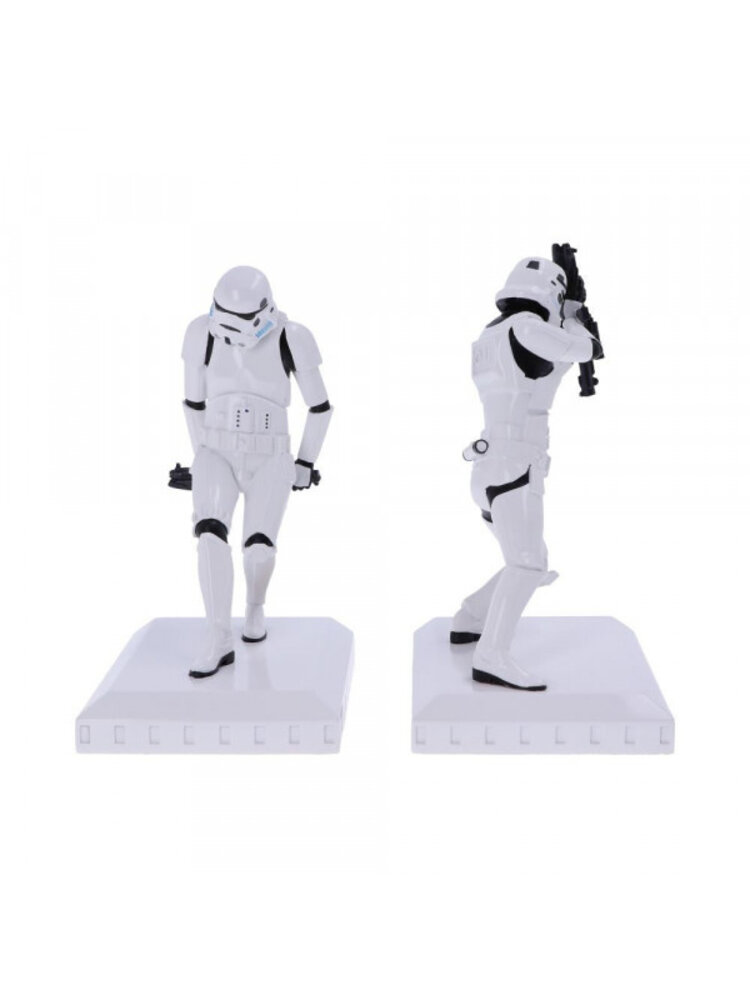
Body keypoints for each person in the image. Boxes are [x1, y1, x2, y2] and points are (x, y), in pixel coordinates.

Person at [451, 256, 600, 690]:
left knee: (528, 560)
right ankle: (491, 656)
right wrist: (574, 317)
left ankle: (470, 616)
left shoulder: (491, 334)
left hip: (488, 467)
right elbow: (586, 349)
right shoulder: (528, 329)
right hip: (516, 466)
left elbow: (539, 381)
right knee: (528, 564)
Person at [179, 266, 332, 678]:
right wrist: (201, 459)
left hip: (270, 455)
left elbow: (320, 407)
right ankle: (217, 637)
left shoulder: (292, 337)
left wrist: (305, 463)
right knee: (209, 534)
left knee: (259, 548)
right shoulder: (200, 333)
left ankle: (254, 606)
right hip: (216, 448)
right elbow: (193, 403)